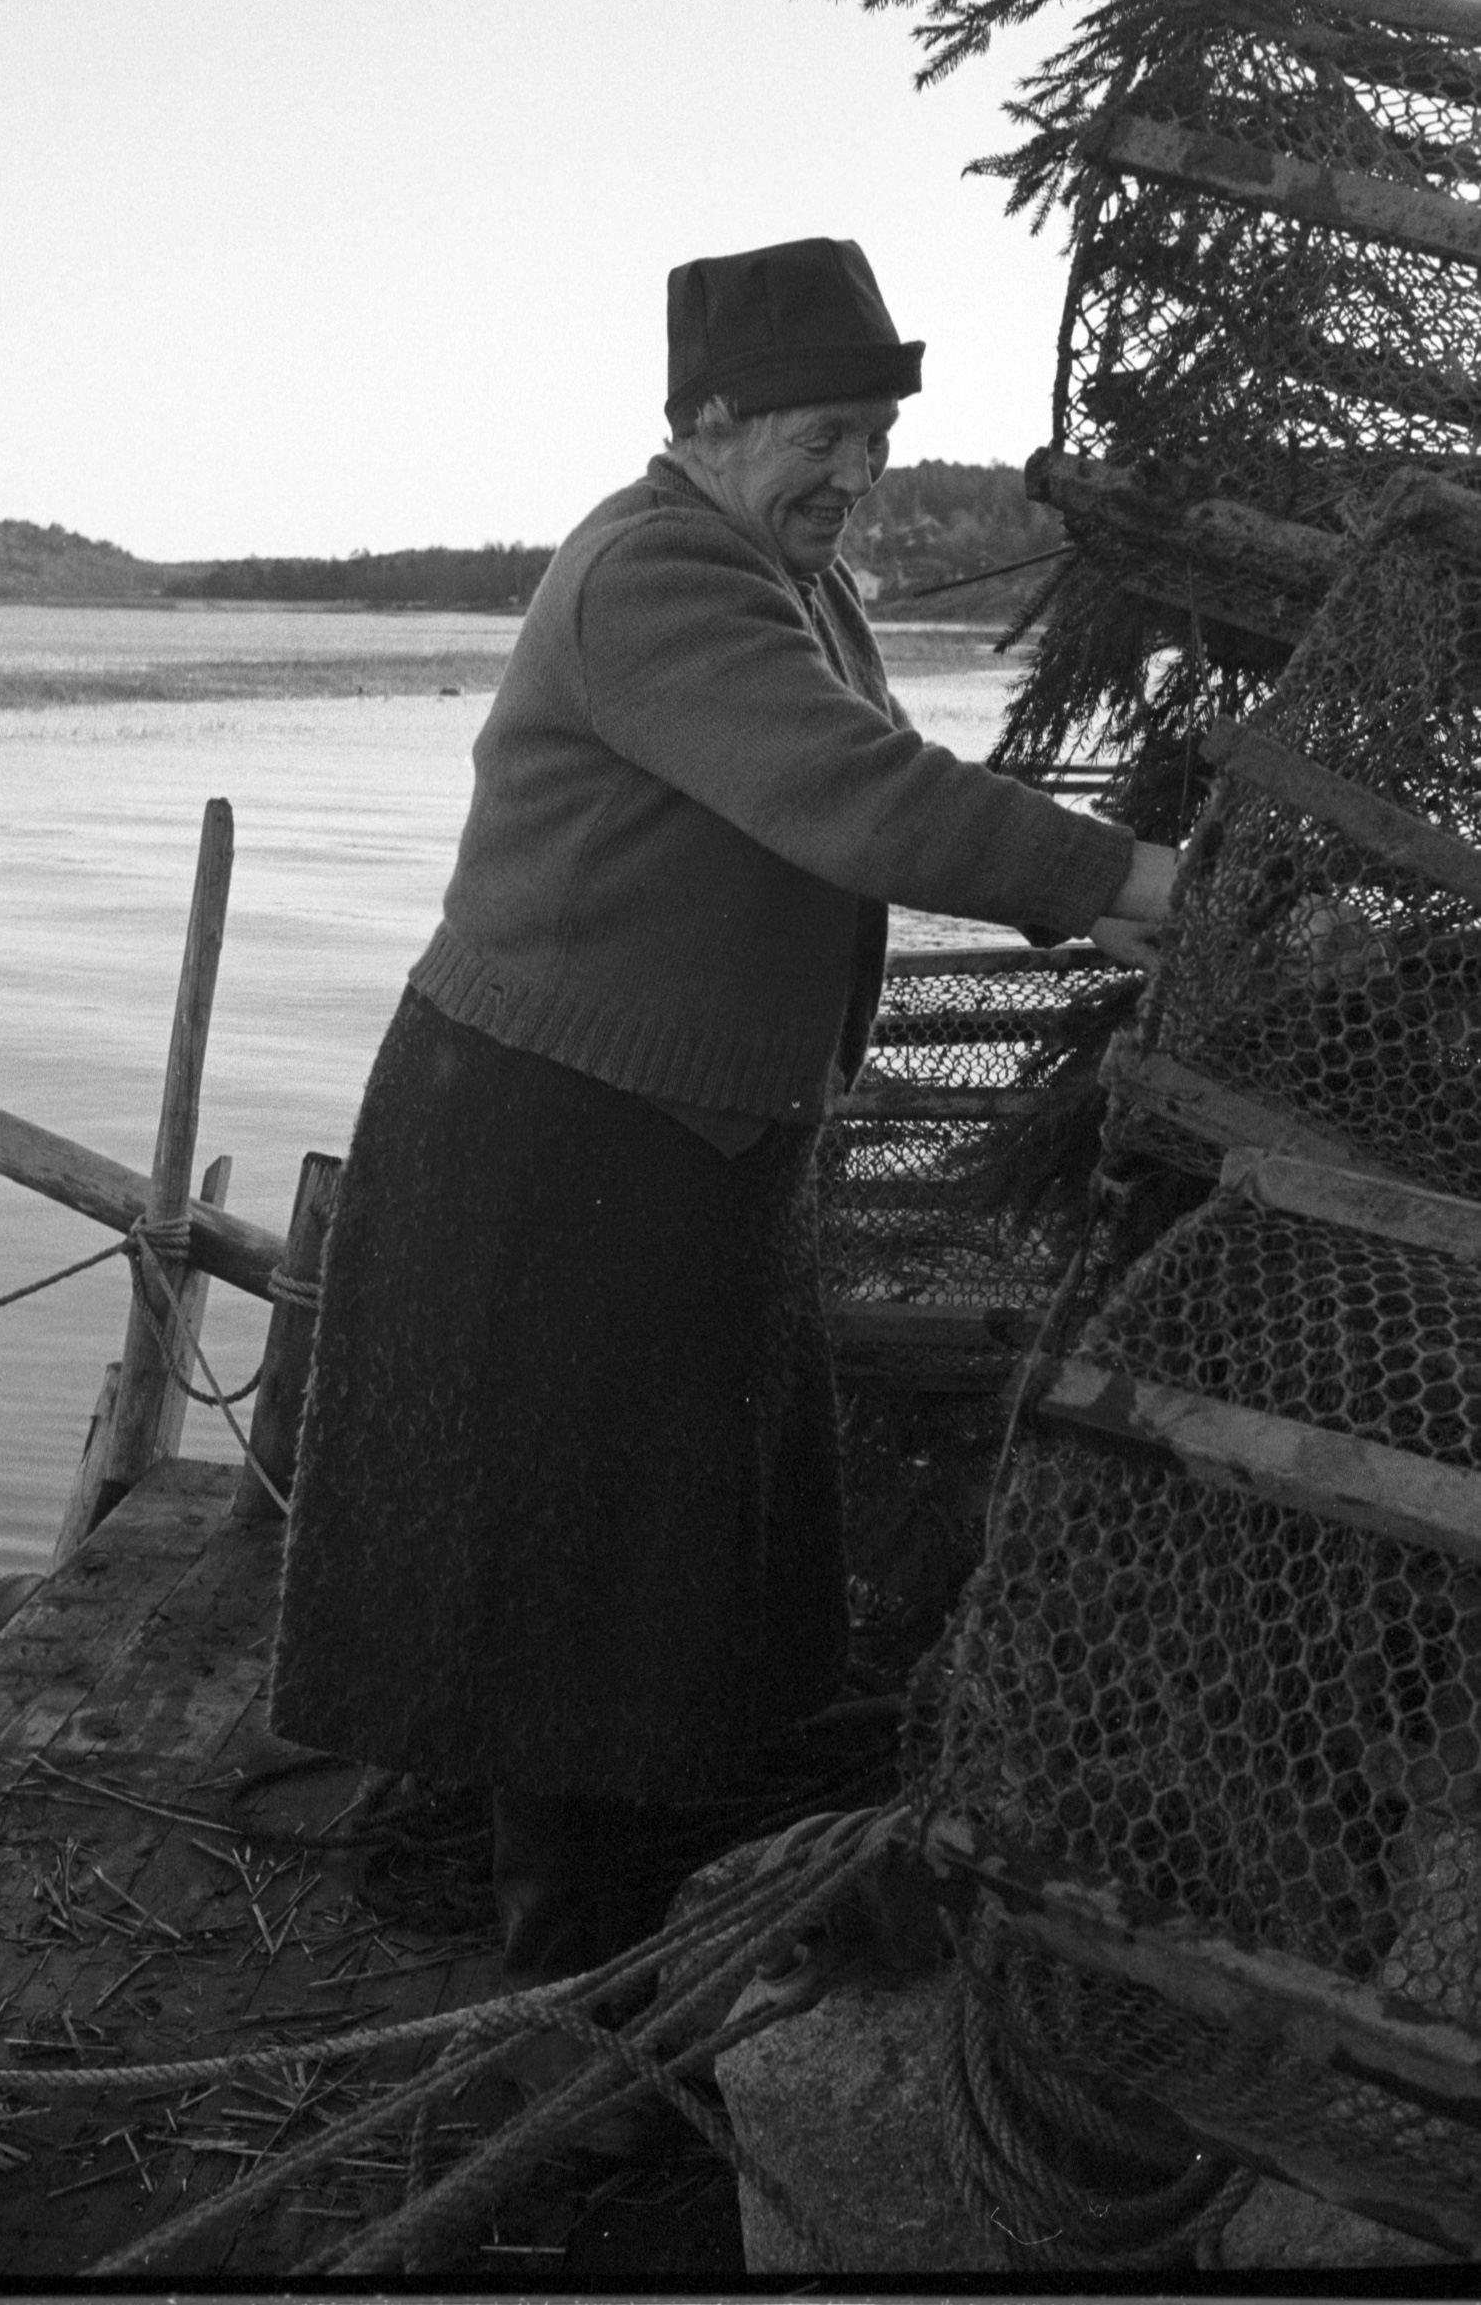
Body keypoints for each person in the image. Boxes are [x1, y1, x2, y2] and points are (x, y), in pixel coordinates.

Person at [269, 237, 1174, 2115]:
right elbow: (862, 796)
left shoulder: (787, 576)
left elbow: (883, 764)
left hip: (691, 1135)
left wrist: (1092, 880)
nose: (853, 468)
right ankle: (549, 2026)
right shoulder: (659, 571)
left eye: (876, 433)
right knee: (562, 1564)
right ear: (711, 422)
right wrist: (1143, 891)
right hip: (548, 1131)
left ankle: (622, 1926)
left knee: (674, 1543)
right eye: (822, 433)